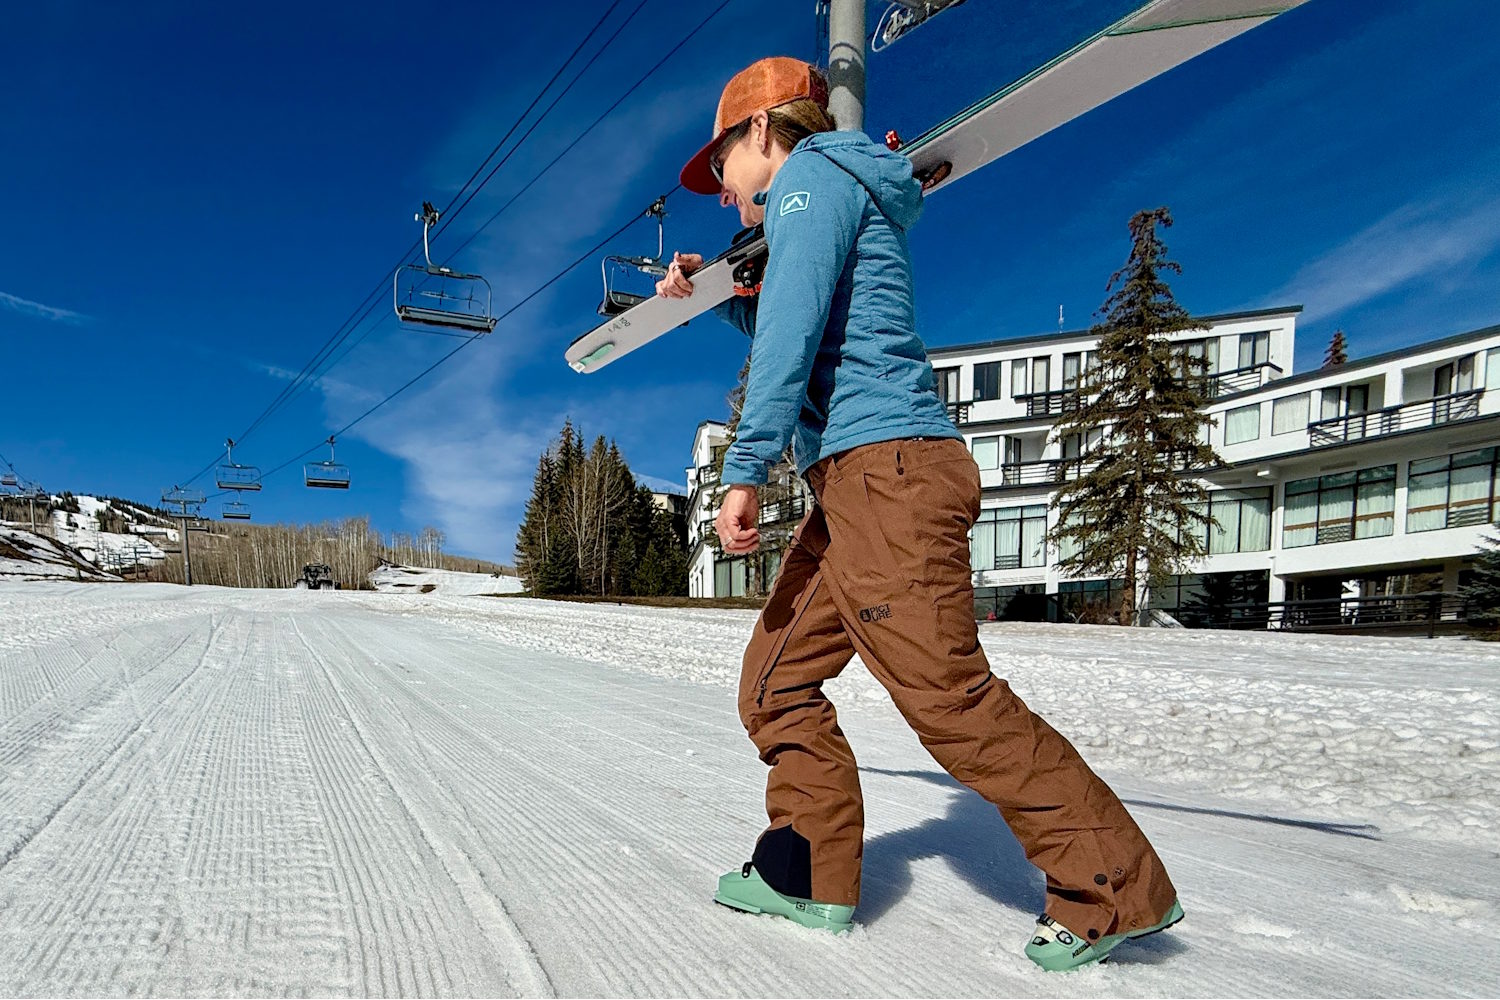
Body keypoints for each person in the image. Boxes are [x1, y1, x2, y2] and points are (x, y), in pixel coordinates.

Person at [657, 56, 1182, 972]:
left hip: (888, 477)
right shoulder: (820, 196)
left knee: (950, 702)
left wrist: (744, 468)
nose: (722, 190)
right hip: (856, 484)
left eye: (721, 166)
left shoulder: (809, 181)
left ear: (760, 131)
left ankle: (1115, 889)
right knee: (774, 684)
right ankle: (807, 873)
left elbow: (790, 336)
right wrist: (715, 299)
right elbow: (800, 314)